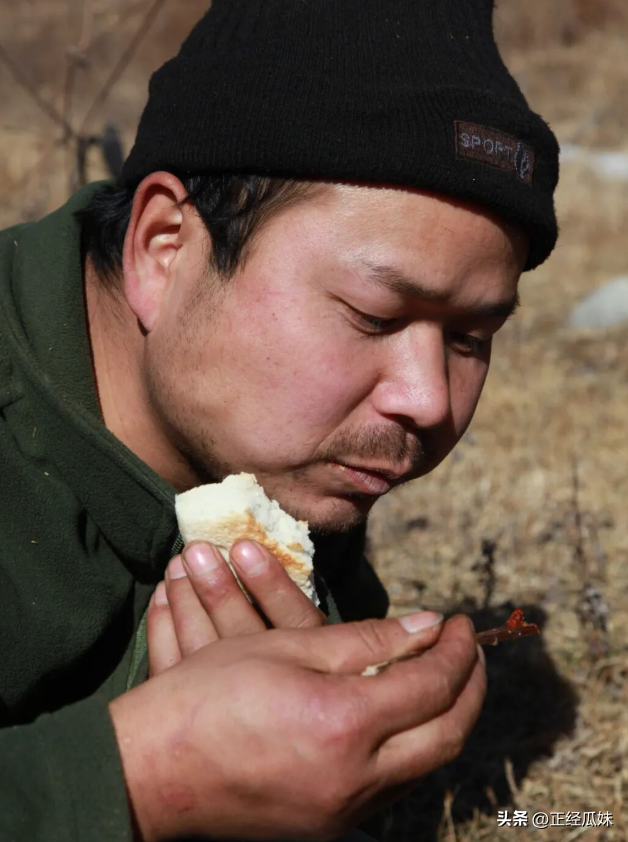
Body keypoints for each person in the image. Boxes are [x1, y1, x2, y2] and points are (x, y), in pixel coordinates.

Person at [0, 1, 559, 840]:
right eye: (373, 316)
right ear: (164, 248)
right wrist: (151, 778)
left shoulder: (279, 466)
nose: (430, 399)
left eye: (470, 338)